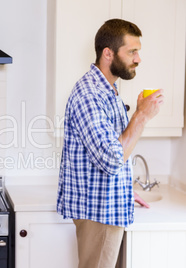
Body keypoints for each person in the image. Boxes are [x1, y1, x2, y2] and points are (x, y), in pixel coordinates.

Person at [57, 19, 164, 268]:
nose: (138, 59)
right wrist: (141, 115)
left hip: (107, 207)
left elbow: (115, 148)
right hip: (99, 213)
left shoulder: (108, 90)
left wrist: (125, 190)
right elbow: (112, 159)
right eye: (132, 52)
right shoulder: (89, 94)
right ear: (108, 53)